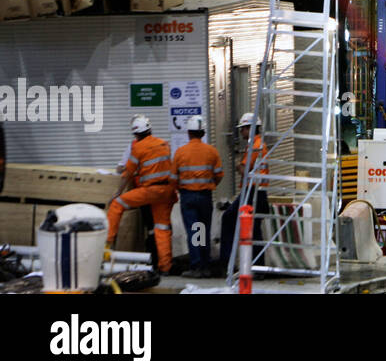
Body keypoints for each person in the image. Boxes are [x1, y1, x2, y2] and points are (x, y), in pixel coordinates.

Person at [106, 116, 177, 274]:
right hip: (167, 192)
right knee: (162, 228)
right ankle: (165, 266)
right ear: (150, 130)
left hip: (150, 191)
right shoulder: (164, 144)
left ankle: (106, 243)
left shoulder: (137, 148)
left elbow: (127, 173)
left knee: (117, 204)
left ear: (136, 135)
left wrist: (117, 193)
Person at [172, 115, 224, 276]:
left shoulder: (181, 152)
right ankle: (205, 265)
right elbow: (219, 174)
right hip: (204, 196)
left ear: (189, 132)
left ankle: (196, 267)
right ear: (203, 132)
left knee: (194, 231)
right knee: (203, 230)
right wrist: (211, 185)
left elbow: (173, 178)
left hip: (188, 196)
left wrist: (180, 189)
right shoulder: (212, 151)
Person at [219, 112, 271, 272]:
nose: (241, 132)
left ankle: (227, 262)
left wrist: (237, 164)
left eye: (243, 129)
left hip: (252, 193)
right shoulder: (260, 144)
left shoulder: (254, 146)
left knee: (228, 219)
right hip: (259, 193)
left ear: (250, 128)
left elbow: (243, 169)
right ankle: (257, 266)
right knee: (254, 230)